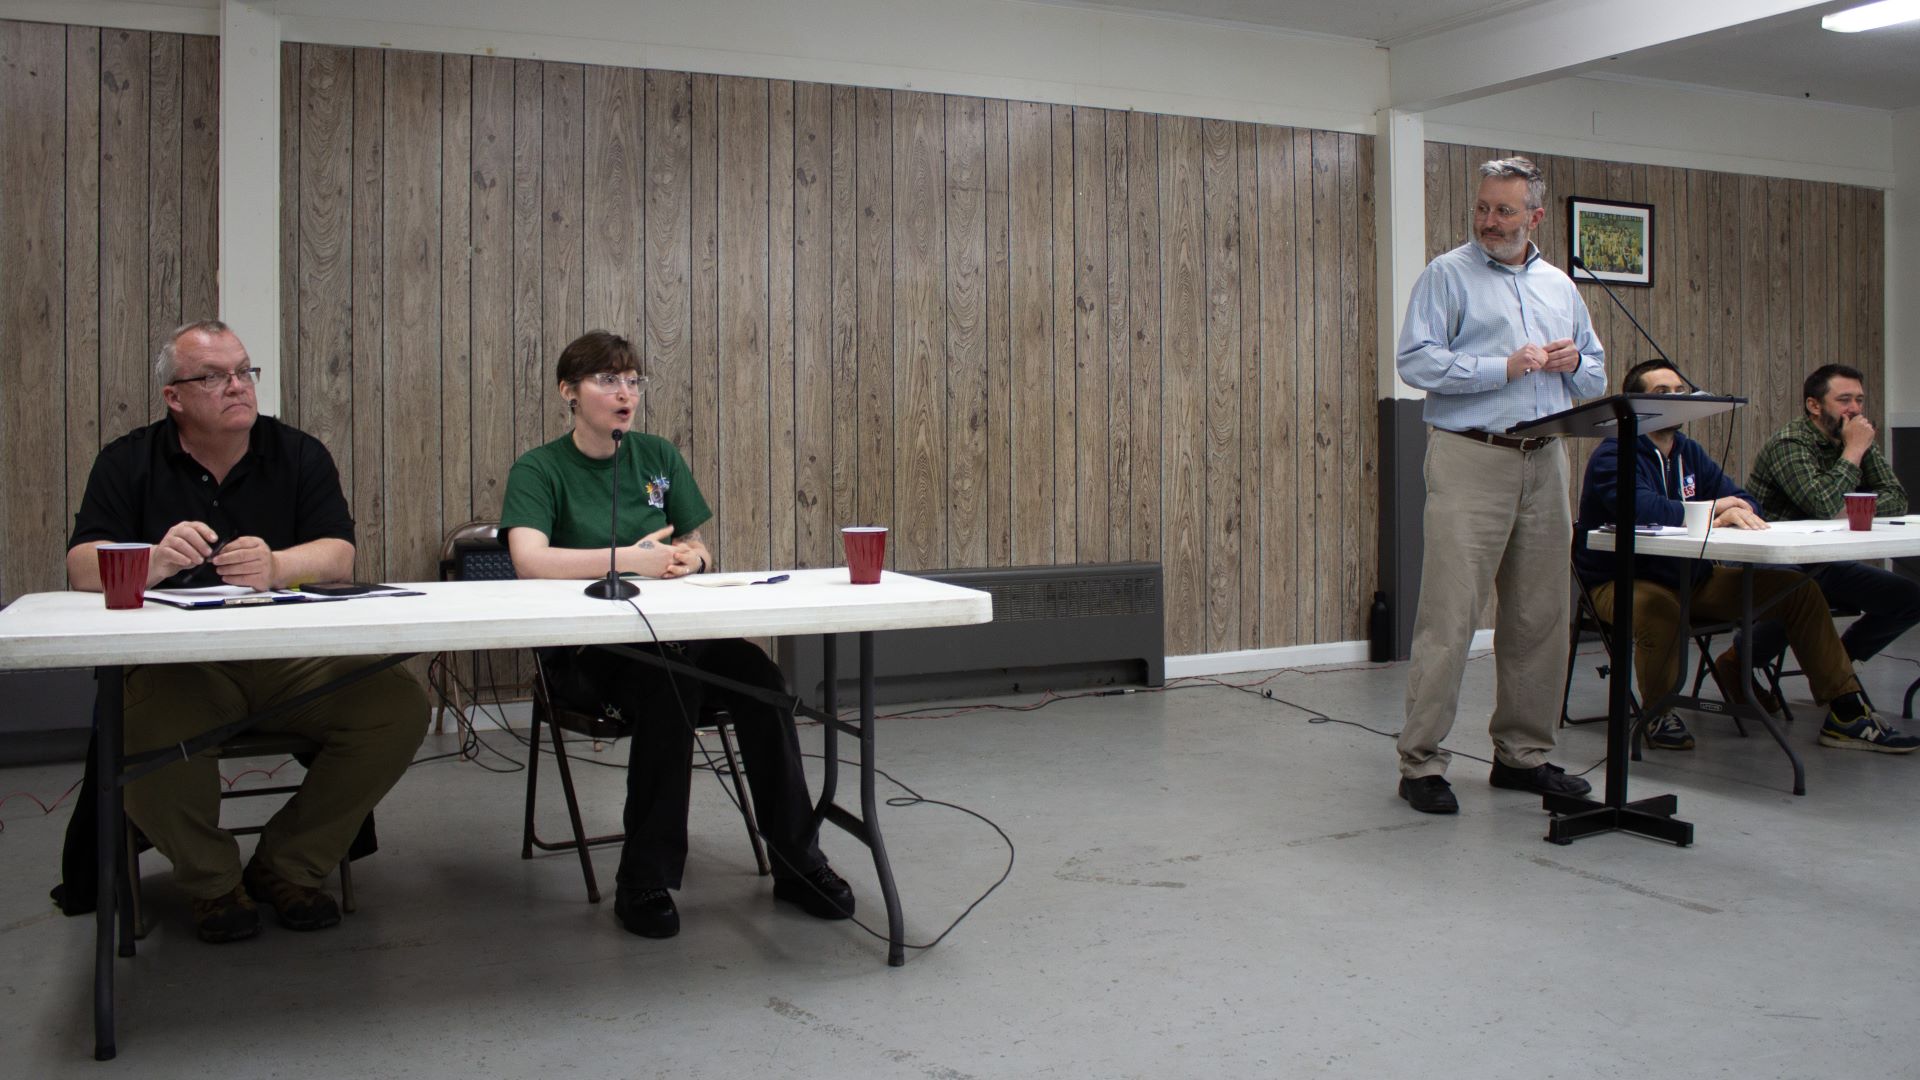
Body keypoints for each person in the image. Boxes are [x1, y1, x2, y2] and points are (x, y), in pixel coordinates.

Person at [66, 320, 430, 943]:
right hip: (184, 665)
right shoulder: (129, 460)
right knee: (142, 726)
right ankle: (211, 883)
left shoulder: (296, 452)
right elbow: (79, 566)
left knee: (396, 706)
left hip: (289, 657)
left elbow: (339, 554)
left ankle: (287, 864)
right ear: (174, 397)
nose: (237, 387)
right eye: (214, 377)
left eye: (244, 372)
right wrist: (150, 559)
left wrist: (279, 566)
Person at [499, 329, 854, 939]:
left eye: (632, 381)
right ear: (568, 391)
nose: (624, 393)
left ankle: (798, 861)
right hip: (594, 651)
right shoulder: (539, 468)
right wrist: (625, 559)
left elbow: (693, 541)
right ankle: (644, 879)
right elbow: (528, 558)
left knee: (762, 681)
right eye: (607, 380)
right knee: (672, 686)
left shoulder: (657, 456)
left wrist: (696, 560)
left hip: (678, 630)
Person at [1394, 156, 1607, 815]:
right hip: (1471, 456)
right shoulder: (1447, 275)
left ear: (1535, 217)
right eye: (1483, 207)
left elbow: (1596, 380)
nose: (1489, 220)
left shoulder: (1560, 288)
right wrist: (1500, 367)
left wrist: (1575, 364)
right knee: (1450, 617)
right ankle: (1422, 763)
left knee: (1540, 618)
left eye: (1504, 210)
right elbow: (1415, 359)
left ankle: (1523, 757)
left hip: (1545, 461)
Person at [1573, 359, 1916, 753]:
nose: (1675, 400)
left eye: (1681, 393)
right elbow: (1640, 508)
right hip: (1619, 582)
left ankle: (1846, 712)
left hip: (1693, 579)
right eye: (1661, 393)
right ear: (1635, 404)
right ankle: (1659, 710)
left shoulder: (1689, 451)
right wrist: (1716, 510)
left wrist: (1730, 507)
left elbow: (1745, 499)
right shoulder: (1613, 452)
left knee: (1797, 590)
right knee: (1658, 610)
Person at [1740, 363, 1920, 680]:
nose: (1854, 410)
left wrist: (1845, 506)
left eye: (1860, 400)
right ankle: (1739, 659)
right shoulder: (1791, 443)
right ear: (1814, 405)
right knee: (1805, 589)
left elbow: (1896, 497)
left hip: (1826, 560)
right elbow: (1822, 505)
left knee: (1910, 599)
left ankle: (1838, 667)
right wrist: (1853, 451)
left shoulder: (1856, 437)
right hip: (1778, 562)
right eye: (1845, 400)